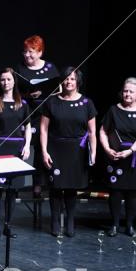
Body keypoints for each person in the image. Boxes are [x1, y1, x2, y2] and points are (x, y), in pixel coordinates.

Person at [40, 67, 97, 237]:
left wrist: (93, 152)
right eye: (66, 78)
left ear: (77, 81)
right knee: (56, 187)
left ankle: (70, 220)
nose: (69, 82)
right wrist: (44, 151)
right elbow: (43, 129)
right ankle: (55, 221)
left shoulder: (87, 103)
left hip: (77, 150)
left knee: (72, 187)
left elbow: (92, 132)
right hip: (56, 148)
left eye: (72, 79)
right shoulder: (51, 102)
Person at [99, 77, 136, 236]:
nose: (127, 94)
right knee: (115, 192)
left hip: (134, 157)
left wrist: (131, 150)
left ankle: (129, 225)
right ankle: (114, 225)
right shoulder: (113, 110)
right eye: (125, 91)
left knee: (132, 193)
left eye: (131, 92)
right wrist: (107, 149)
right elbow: (103, 131)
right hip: (115, 156)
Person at [0, 69, 31, 238]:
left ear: (14, 81)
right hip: (0, 148)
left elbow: (28, 128)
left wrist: (27, 146)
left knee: (12, 190)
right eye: (2, 80)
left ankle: (7, 225)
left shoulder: (22, 104)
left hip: (16, 150)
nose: (5, 82)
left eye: (9, 79)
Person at [15, 35, 60, 197]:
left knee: (42, 149)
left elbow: (58, 90)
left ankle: (38, 186)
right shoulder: (20, 68)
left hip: (45, 113)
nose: (27, 55)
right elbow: (14, 91)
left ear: (40, 52)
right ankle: (15, 184)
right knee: (21, 147)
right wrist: (28, 94)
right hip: (26, 111)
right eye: (25, 52)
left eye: (31, 52)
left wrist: (43, 93)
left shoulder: (50, 68)